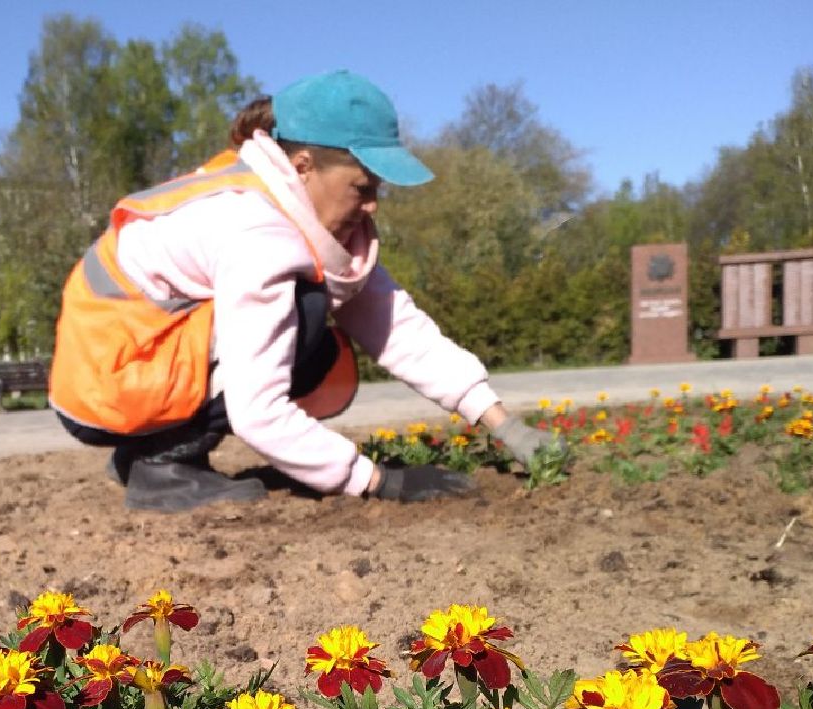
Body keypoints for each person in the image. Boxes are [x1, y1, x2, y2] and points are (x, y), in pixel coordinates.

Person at [49, 69, 564, 511]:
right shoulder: (258, 231)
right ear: (303, 167)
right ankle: (162, 469)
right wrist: (376, 481)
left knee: (311, 322)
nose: (373, 206)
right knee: (307, 308)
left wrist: (503, 424)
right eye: (363, 187)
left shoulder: (297, 212)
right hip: (104, 382)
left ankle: (143, 455)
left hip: (140, 363)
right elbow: (257, 409)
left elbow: (396, 325)